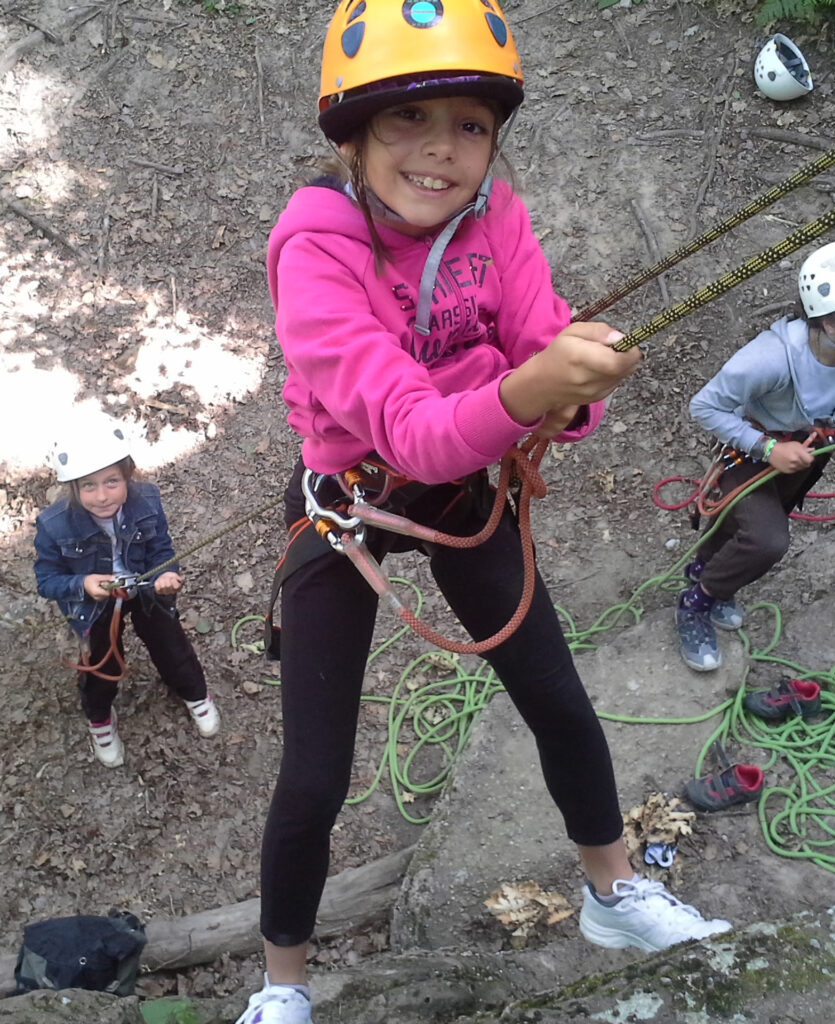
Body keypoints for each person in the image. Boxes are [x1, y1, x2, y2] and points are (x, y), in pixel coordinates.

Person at [235, 2, 730, 1022]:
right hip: (354, 498)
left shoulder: (495, 214)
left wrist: (573, 388)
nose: (441, 149)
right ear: (354, 135)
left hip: (470, 484)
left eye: (470, 125)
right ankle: (283, 984)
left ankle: (613, 891)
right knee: (316, 773)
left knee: (556, 695)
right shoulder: (314, 246)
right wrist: (530, 388)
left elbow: (543, 342)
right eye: (408, 119)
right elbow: (409, 428)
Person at [675, 239, 835, 672]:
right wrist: (768, 448)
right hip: (748, 448)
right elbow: (705, 406)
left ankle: (706, 571)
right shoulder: (770, 360)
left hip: (807, 452)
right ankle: (696, 602)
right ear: (827, 320)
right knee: (767, 540)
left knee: (744, 524)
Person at [34, 416, 220, 767]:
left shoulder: (146, 501)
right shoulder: (54, 525)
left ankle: (194, 692)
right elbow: (47, 580)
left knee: (170, 643)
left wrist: (166, 575)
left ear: (127, 475)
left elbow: (161, 550)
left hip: (143, 586)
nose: (102, 496)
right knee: (99, 661)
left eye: (112, 482)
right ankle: (100, 717)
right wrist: (82, 584)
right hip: (94, 602)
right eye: (88, 486)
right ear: (73, 487)